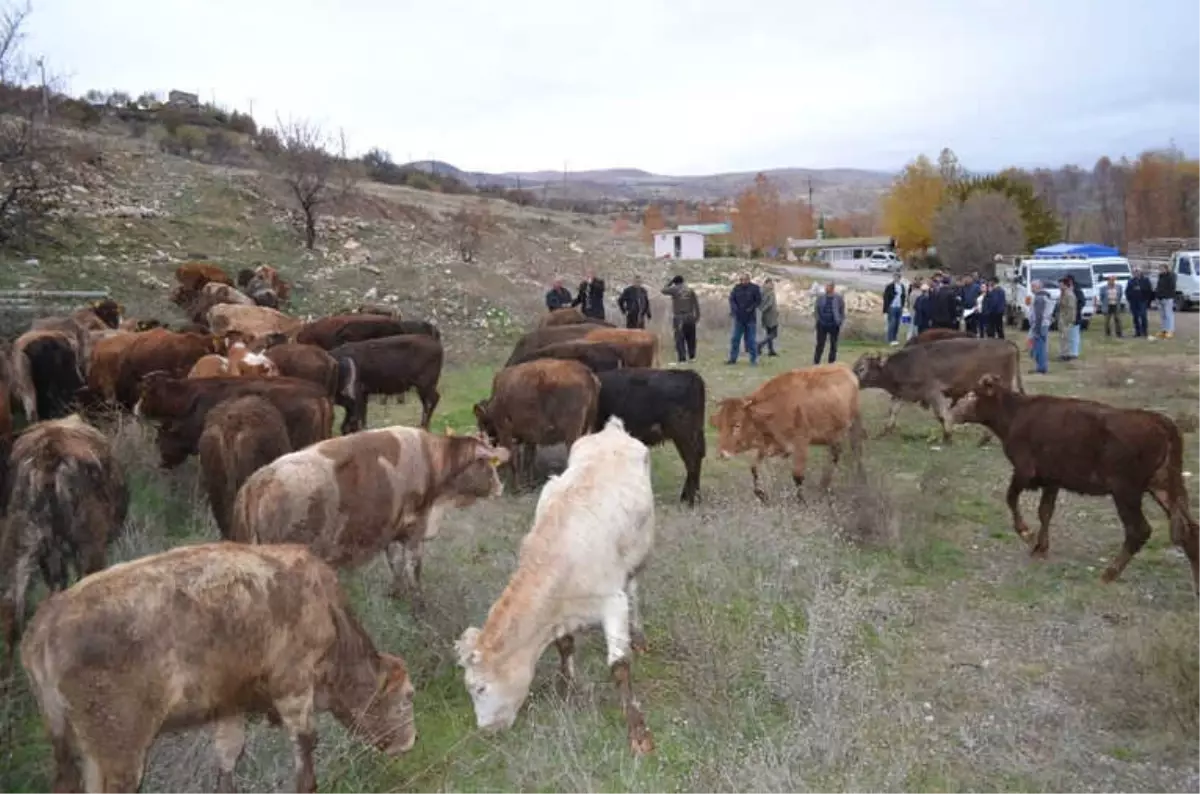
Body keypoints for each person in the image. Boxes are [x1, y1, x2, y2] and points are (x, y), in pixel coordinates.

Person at [662, 274, 700, 363]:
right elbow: (696, 304)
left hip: (679, 317)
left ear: (675, 282)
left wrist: (670, 282)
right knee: (691, 337)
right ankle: (692, 356)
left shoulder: (674, 289)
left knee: (680, 338)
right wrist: (697, 316)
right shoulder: (690, 290)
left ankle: (682, 358)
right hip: (690, 316)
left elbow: (663, 290)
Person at [726, 273, 762, 365]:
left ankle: (754, 360)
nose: (743, 281)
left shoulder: (754, 288)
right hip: (739, 318)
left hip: (750, 319)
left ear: (748, 279)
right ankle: (732, 359)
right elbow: (731, 299)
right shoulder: (736, 288)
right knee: (735, 339)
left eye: (745, 279)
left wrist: (750, 308)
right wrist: (734, 310)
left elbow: (758, 301)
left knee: (751, 340)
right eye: (742, 280)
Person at [813, 281, 845, 365]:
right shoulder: (821, 297)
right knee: (820, 344)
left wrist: (840, 321)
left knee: (833, 345)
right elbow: (816, 309)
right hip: (822, 324)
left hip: (834, 325)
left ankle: (831, 363)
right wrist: (818, 319)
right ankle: (816, 362)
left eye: (828, 286)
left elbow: (842, 310)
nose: (826, 288)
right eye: (825, 286)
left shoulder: (838, 298)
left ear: (832, 288)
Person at [1029, 279, 1051, 374]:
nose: (1031, 289)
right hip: (1044, 324)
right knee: (1041, 346)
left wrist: (1036, 330)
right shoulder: (1044, 296)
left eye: (1032, 287)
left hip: (1040, 325)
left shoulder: (1039, 298)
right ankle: (1041, 366)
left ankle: (1041, 368)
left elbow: (1039, 315)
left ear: (1037, 287)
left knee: (1039, 347)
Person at [1125, 266, 1153, 338]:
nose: (1136, 273)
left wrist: (1147, 299)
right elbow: (1127, 291)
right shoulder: (1131, 281)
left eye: (1137, 272)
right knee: (1135, 317)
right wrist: (1130, 298)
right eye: (1135, 272)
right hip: (1133, 302)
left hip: (1142, 300)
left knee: (1143, 316)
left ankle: (1144, 331)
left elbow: (1149, 290)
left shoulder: (1145, 280)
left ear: (1140, 272)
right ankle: (1137, 332)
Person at [757, 277, 780, 357]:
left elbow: (759, 302)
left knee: (768, 333)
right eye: (770, 283)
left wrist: (761, 309)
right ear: (766, 283)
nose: (772, 285)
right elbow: (770, 304)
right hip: (771, 315)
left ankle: (771, 350)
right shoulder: (770, 293)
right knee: (774, 334)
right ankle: (760, 345)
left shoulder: (761, 292)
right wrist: (764, 309)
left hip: (765, 316)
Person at [882, 272, 906, 346]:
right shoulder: (890, 286)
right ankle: (890, 339)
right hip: (892, 306)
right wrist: (886, 308)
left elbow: (903, 296)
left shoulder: (902, 286)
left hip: (899, 307)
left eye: (897, 277)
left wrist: (902, 305)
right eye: (894, 277)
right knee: (892, 323)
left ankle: (895, 338)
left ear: (899, 278)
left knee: (897, 324)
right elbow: (885, 297)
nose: (896, 278)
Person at [1056, 276, 1077, 361]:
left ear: (1065, 285)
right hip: (1062, 318)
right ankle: (1063, 353)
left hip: (1066, 319)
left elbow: (1072, 309)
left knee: (1066, 337)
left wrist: (1069, 320)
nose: (1059, 286)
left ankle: (1066, 355)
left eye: (1061, 285)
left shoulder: (1069, 294)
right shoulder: (1062, 294)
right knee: (1062, 337)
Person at [1155, 263, 1176, 339]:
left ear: (1166, 269)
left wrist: (1165, 296)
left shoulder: (1171, 276)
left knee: (1168, 315)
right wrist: (1157, 296)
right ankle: (1164, 330)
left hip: (1167, 298)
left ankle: (1170, 331)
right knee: (1162, 315)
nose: (1160, 270)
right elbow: (1158, 287)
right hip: (1160, 298)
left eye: (1162, 269)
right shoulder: (1160, 276)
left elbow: (1171, 287)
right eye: (1160, 269)